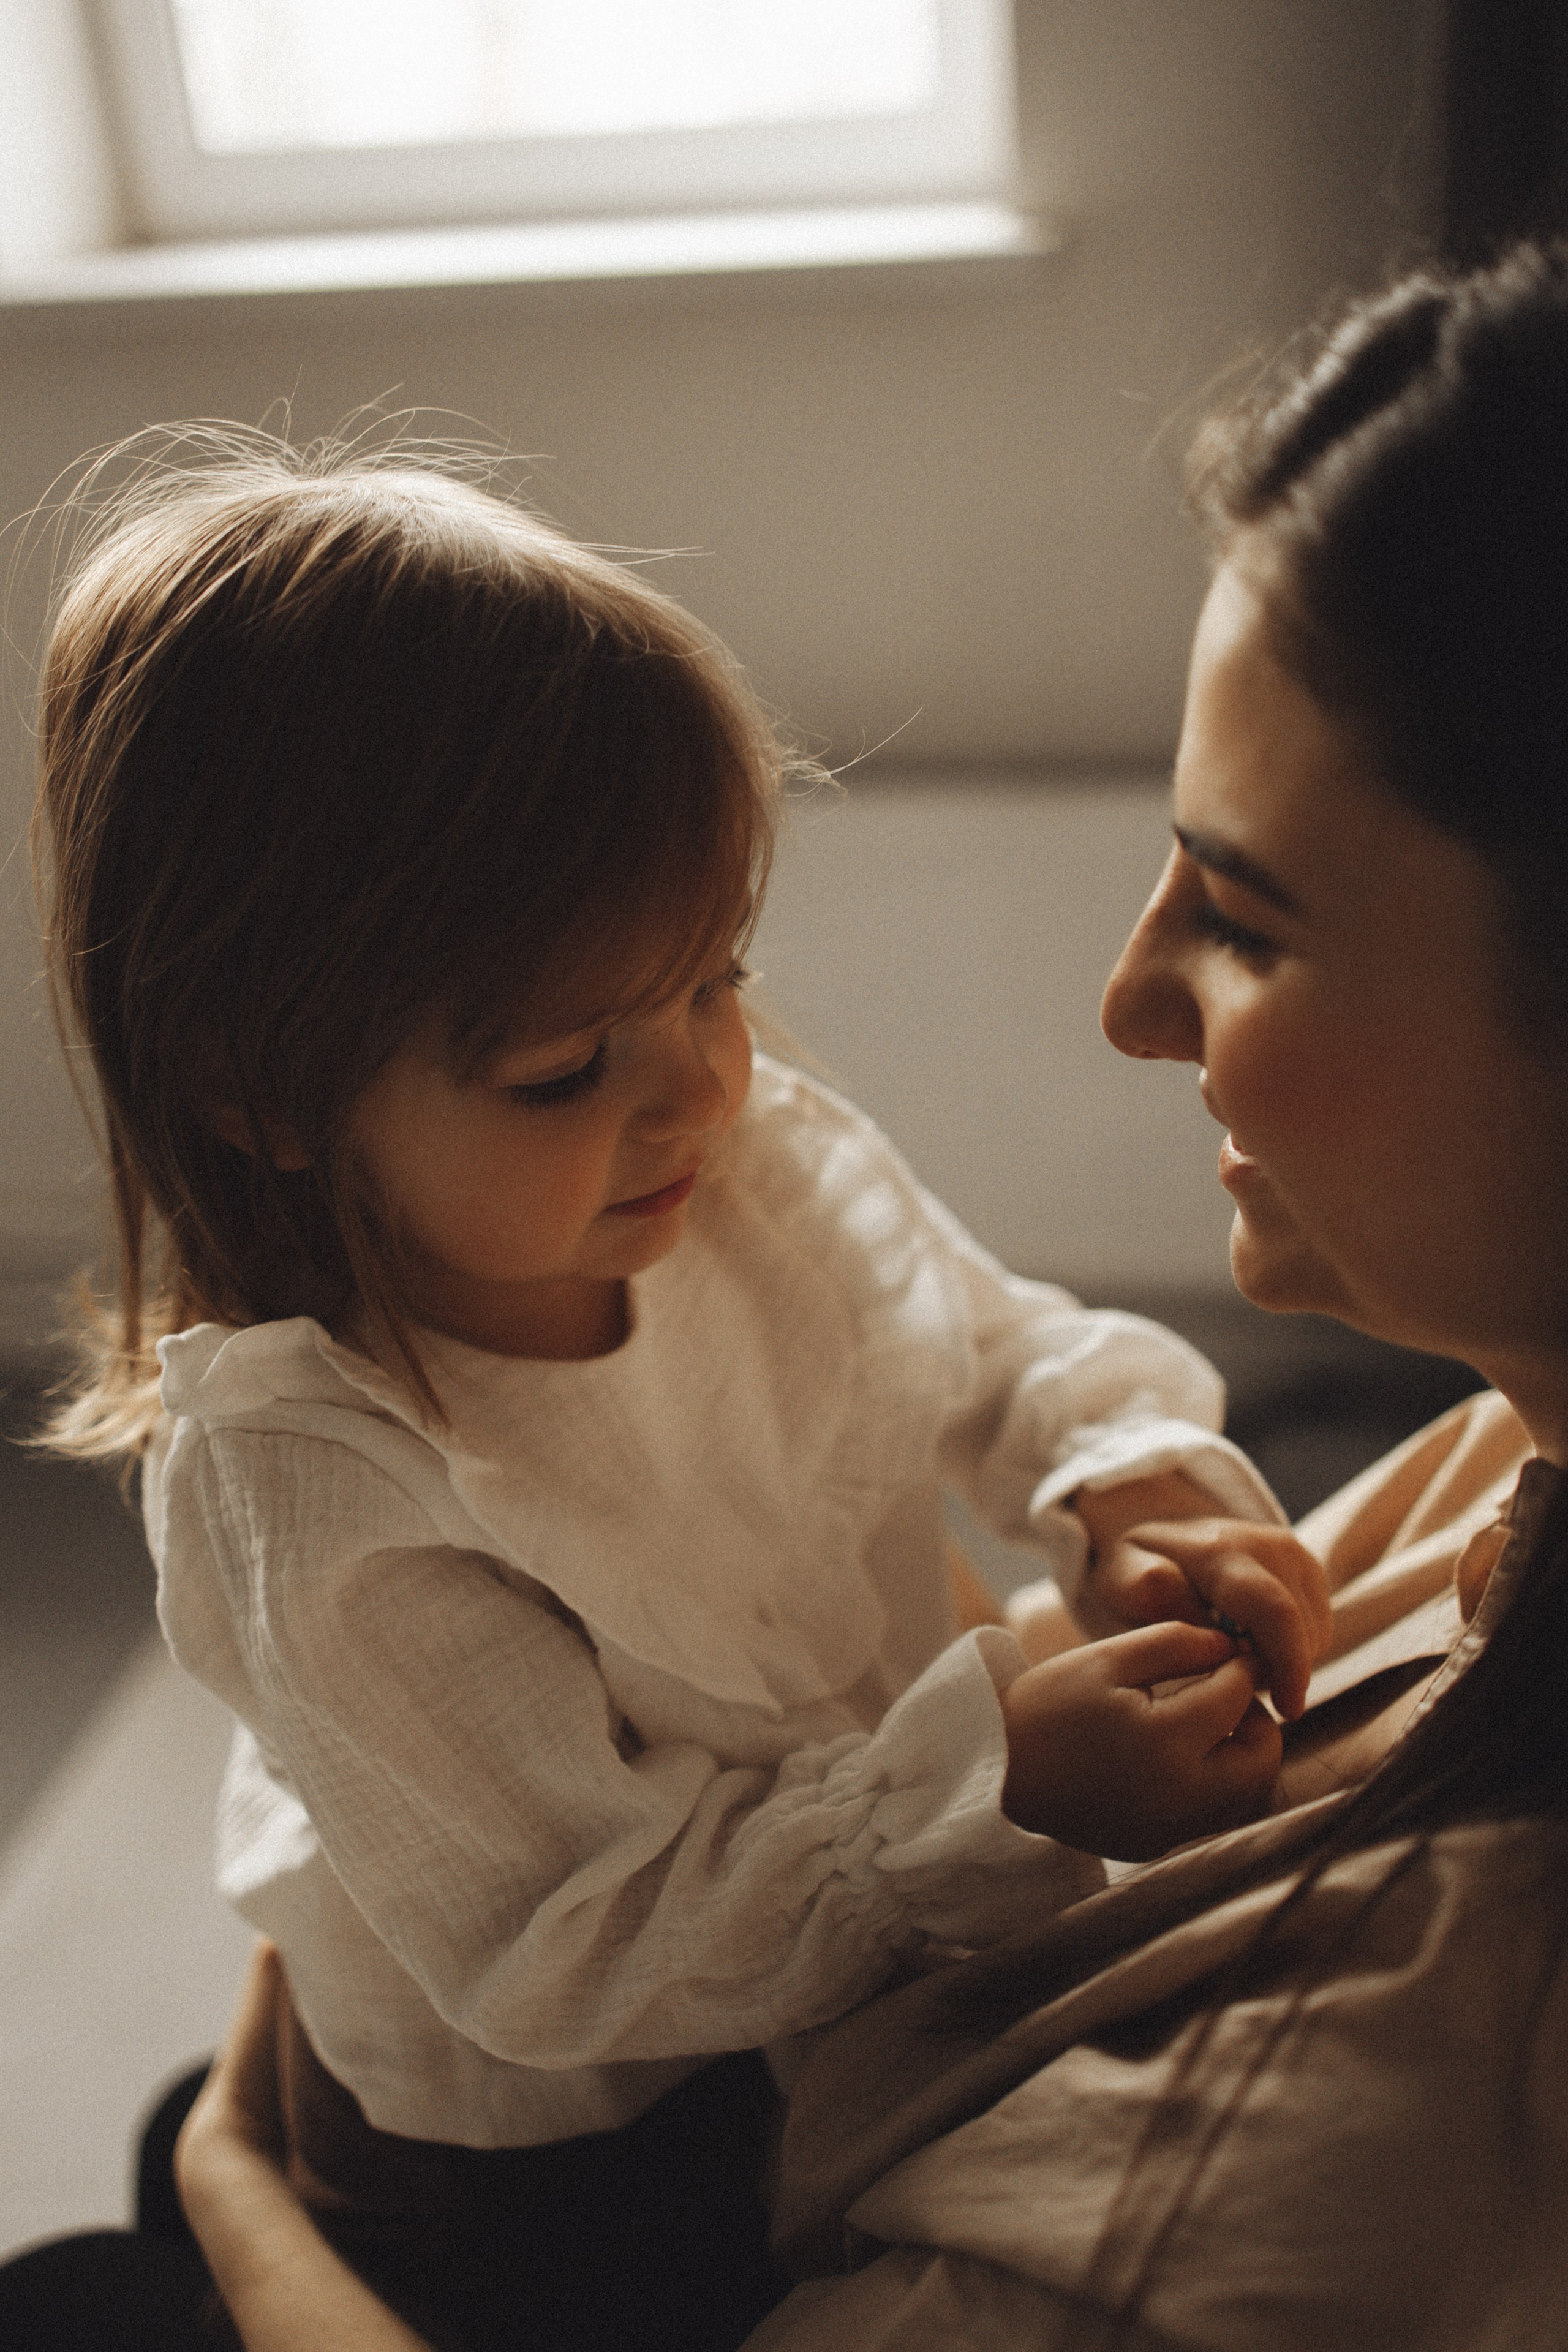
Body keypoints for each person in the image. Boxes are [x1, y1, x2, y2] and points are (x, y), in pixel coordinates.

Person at [120, 237, 1568, 2350]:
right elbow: (561, 1957)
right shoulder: (324, 1485)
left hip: (817, 1967)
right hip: (546, 2144)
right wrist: (966, 1789)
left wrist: (1122, 1459)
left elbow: (986, 1346)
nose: (708, 1084)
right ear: (264, 1099)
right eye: (562, 1065)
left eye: (717, 980)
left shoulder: (724, 1154)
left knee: (158, 2199)